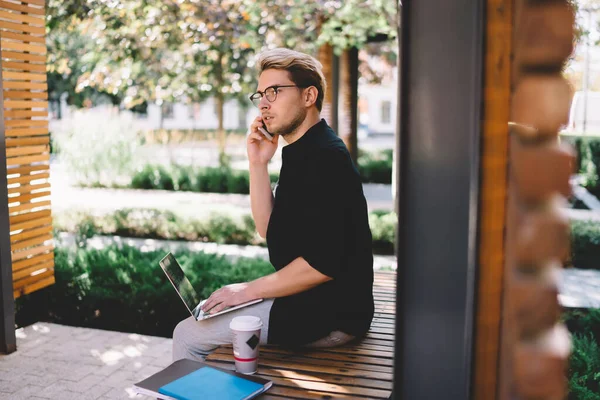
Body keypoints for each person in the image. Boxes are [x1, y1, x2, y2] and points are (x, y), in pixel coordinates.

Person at [172, 48, 374, 361]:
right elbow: (269, 228)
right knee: (218, 307)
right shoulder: (303, 151)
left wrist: (248, 290)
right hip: (312, 302)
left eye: (275, 91)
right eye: (261, 94)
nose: (264, 103)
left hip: (330, 315)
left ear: (309, 96)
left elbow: (323, 264)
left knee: (187, 335)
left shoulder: (325, 158)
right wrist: (258, 163)